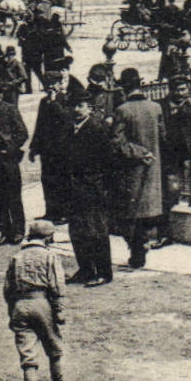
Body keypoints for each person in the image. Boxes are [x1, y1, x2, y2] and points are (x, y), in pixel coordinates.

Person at [3, 219, 75, 381]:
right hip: (41, 304)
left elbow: (8, 290)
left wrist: (12, 313)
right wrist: (59, 313)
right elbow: (57, 287)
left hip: (20, 306)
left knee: (28, 359)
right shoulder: (50, 256)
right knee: (54, 351)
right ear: (48, 237)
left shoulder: (16, 257)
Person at [114, 68, 165, 269]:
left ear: (124, 87)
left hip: (132, 168)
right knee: (145, 212)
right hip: (153, 168)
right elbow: (163, 136)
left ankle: (137, 252)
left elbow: (118, 143)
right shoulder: (156, 107)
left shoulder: (122, 110)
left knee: (130, 213)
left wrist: (139, 152)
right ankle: (140, 248)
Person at [66, 95, 114, 286]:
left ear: (90, 108)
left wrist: (103, 187)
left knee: (96, 231)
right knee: (77, 231)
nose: (76, 110)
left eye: (80, 105)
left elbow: (109, 161)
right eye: (73, 106)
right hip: (74, 189)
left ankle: (103, 272)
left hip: (93, 188)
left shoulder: (97, 128)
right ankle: (85, 269)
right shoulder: (70, 128)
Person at [158, 74, 191, 247]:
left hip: (183, 156)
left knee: (171, 193)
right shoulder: (161, 106)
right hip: (166, 155)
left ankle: (165, 233)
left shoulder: (190, 106)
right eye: (178, 89)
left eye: (184, 89)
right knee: (168, 193)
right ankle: (164, 234)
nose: (181, 93)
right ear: (171, 90)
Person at [0, 77, 29, 246]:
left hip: (8, 161)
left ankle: (18, 231)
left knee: (13, 197)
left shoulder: (10, 109)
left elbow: (22, 133)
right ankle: (4, 231)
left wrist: (8, 147)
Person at [29, 72, 73, 224]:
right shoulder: (43, 102)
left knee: (61, 180)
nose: (50, 87)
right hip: (47, 150)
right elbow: (39, 125)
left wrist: (54, 102)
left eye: (53, 83)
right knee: (47, 180)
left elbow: (67, 120)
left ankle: (64, 213)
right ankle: (51, 212)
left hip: (61, 149)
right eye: (47, 84)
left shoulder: (65, 99)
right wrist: (33, 147)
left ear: (59, 84)